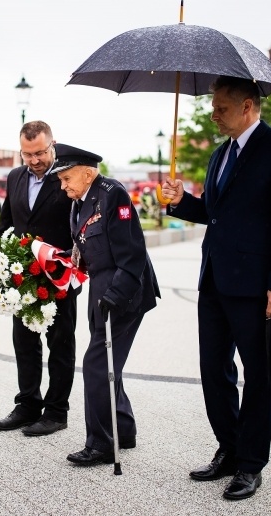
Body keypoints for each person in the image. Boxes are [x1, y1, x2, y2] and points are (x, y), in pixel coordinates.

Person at [161, 76, 271, 500]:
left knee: (258, 376)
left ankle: (250, 464)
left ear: (248, 105)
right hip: (214, 281)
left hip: (257, 287)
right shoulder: (219, 154)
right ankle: (228, 447)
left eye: (221, 108)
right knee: (214, 372)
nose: (213, 114)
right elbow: (214, 212)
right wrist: (180, 200)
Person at [52, 144, 160, 466]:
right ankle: (123, 431)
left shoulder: (113, 194)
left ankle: (100, 443)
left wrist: (115, 297)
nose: (63, 185)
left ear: (87, 173)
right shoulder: (78, 202)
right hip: (100, 288)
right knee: (109, 363)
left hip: (125, 292)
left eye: (67, 178)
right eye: (60, 179)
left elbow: (133, 254)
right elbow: (88, 240)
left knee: (97, 366)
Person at [0, 121, 80, 437]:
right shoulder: (15, 177)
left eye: (40, 152)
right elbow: (6, 225)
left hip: (59, 278)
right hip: (22, 280)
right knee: (24, 342)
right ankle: (27, 405)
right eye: (27, 154)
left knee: (60, 343)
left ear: (53, 144)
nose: (34, 160)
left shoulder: (68, 176)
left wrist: (71, 259)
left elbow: (82, 225)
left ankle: (56, 412)